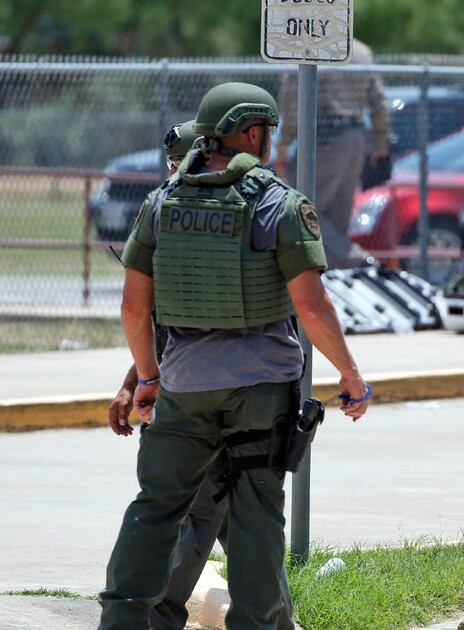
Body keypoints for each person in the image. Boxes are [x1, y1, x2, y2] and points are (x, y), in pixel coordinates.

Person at [99, 82, 372, 630]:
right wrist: (350, 373)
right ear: (252, 132)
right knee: (255, 518)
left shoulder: (161, 204)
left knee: (156, 509)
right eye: (266, 131)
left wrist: (148, 377)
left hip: (183, 385)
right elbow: (313, 307)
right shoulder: (279, 204)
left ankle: (122, 621)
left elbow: (133, 308)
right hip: (260, 391)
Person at [105, 119, 294, 630]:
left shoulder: (234, 217)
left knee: (197, 520)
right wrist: (133, 382)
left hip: (212, 399)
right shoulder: (174, 211)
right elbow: (161, 320)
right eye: (169, 166)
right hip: (205, 394)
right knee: (247, 528)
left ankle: (152, 620)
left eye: (179, 163)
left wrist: (142, 382)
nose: (172, 174)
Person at [274, 38, 390, 269]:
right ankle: (335, 278)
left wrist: (283, 147)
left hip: (322, 138)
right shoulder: (362, 51)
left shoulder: (307, 46)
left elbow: (292, 103)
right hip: (355, 137)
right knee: (336, 218)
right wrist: (379, 144)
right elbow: (380, 103)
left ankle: (357, 261)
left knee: (300, 210)